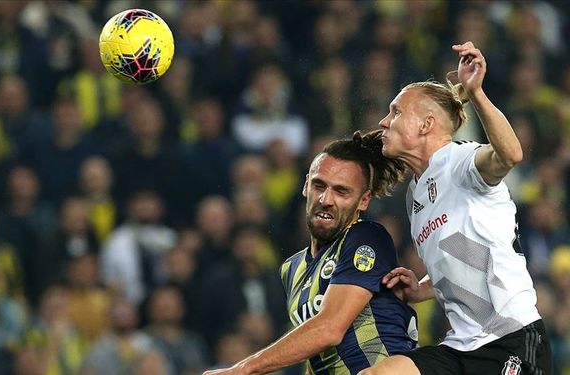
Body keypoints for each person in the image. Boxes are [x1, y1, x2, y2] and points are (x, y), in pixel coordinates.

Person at [358, 42, 552, 375]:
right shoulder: (416, 194)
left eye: (396, 111)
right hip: (460, 346)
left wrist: (476, 93)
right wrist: (423, 287)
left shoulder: (459, 160)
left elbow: (510, 155)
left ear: (425, 124)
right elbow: (465, 252)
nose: (383, 121)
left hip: (511, 338)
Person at [203, 129, 417, 374]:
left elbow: (329, 329)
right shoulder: (291, 269)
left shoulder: (365, 237)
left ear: (364, 201)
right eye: (319, 185)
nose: (326, 199)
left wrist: (243, 369)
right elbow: (316, 354)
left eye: (341, 191)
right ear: (306, 186)